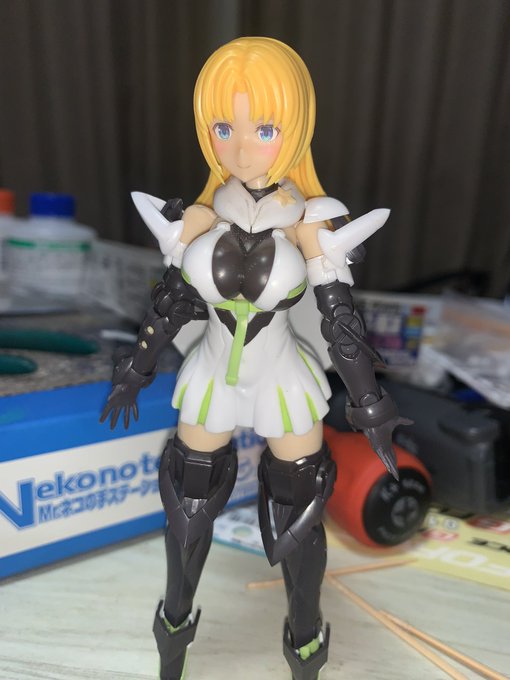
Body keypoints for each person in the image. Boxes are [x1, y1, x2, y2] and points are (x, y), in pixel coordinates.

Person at [101, 36, 404, 680]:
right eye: (224, 127)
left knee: (299, 509)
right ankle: (173, 640)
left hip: (283, 380)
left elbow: (339, 322)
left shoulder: (308, 224)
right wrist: (135, 369)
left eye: (264, 128)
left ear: (295, 128)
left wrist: (370, 404)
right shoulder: (199, 219)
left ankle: (305, 648)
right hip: (211, 377)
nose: (242, 148)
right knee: (187, 506)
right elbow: (172, 304)